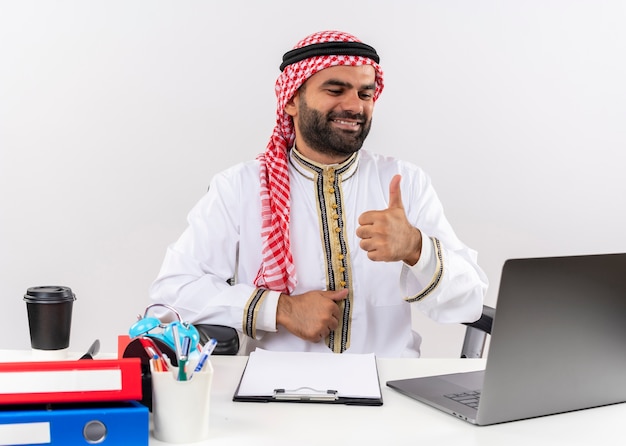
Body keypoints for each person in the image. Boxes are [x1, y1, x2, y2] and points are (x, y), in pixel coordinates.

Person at [149, 30, 488, 357]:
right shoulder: (240, 187)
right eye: (336, 89)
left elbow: (469, 300)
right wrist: (280, 309)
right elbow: (171, 296)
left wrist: (418, 249)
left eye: (365, 94)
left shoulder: (405, 182)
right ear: (292, 99)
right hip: (276, 393)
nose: (354, 106)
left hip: (388, 388)